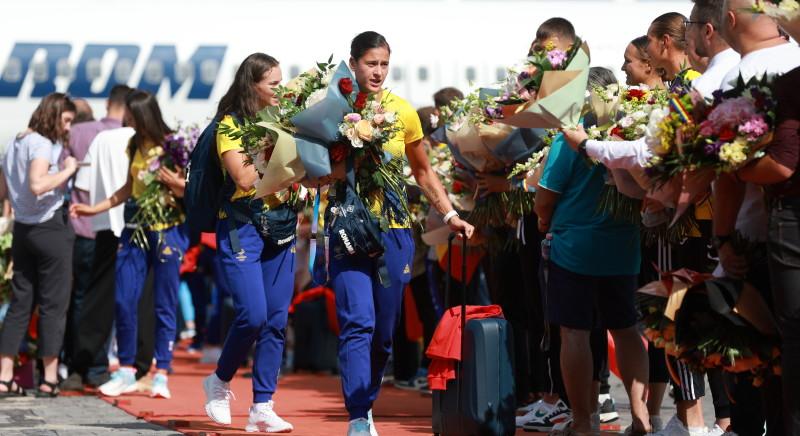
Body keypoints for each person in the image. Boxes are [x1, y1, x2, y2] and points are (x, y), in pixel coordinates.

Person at [328, 31, 473, 436]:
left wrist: (449, 214)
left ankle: (366, 401)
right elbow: (312, 171)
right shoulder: (332, 110)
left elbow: (423, 171)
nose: (376, 72)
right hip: (347, 230)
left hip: (393, 230)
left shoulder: (403, 112)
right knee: (357, 322)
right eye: (369, 63)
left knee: (383, 333)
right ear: (353, 63)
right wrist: (348, 165)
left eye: (383, 65)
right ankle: (357, 415)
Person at [535, 66, 651, 436]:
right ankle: (641, 416)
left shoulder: (571, 137)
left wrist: (542, 221)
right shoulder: (629, 131)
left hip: (574, 247)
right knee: (628, 329)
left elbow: (545, 196)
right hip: (622, 244)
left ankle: (584, 421)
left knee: (575, 333)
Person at [713, 1, 800, 434]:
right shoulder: (792, 61)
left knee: (763, 363)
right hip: (776, 229)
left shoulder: (741, 75)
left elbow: (771, 164)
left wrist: (723, 238)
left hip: (763, 235)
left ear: (727, 21)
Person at [70, 90, 188, 400]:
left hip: (166, 230)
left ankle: (160, 371)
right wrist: (93, 208)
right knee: (124, 298)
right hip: (133, 228)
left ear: (144, 115)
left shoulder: (172, 144)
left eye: (133, 118)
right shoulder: (134, 144)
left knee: (164, 303)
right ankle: (125, 370)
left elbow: (188, 190)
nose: (129, 123)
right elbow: (127, 187)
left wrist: (177, 185)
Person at [200, 53, 296, 433]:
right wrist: (278, 151)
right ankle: (220, 380)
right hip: (243, 225)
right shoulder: (231, 124)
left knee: (276, 321)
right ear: (251, 84)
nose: (280, 89)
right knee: (252, 314)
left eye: (281, 81)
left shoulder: (286, 120)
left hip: (282, 224)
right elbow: (242, 178)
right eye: (273, 83)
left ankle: (263, 405)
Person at [0, 93, 78, 397]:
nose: (69, 127)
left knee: (20, 305)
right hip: (49, 227)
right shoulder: (43, 144)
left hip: (23, 229)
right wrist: (69, 169)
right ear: (53, 115)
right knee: (53, 305)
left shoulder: (14, 142)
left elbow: (4, 189)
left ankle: (5, 374)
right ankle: (48, 377)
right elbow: (37, 183)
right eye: (67, 120)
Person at [63, 84, 133, 387]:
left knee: (81, 299)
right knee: (121, 298)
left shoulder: (81, 133)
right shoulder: (135, 138)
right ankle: (106, 364)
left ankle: (77, 364)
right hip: (125, 227)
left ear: (108, 103)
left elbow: (78, 181)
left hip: (86, 227)